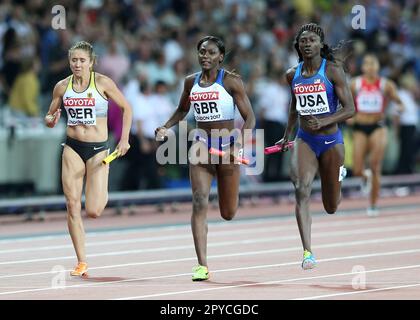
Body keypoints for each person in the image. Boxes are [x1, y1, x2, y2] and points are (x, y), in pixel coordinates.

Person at [155, 36, 255, 281]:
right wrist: (166, 126)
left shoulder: (231, 82)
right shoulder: (191, 82)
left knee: (228, 212)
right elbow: (182, 109)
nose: (205, 56)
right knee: (199, 201)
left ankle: (224, 214)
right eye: (202, 52)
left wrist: (239, 146)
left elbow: (250, 118)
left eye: (211, 53)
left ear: (221, 57)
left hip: (228, 148)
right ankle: (201, 265)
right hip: (201, 147)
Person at [44, 41, 132, 276]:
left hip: (98, 151)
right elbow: (50, 116)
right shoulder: (62, 87)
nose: (77, 64)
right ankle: (81, 261)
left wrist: (124, 140)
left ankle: (101, 185)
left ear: (91, 62)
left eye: (82, 60)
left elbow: (127, 108)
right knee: (72, 205)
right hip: (72, 147)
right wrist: (50, 120)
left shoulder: (103, 83)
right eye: (74, 60)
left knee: (93, 211)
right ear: (69, 61)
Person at [275, 23, 355, 270]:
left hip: (331, 141)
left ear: (321, 44)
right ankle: (307, 252)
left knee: (331, 206)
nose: (307, 44)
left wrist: (324, 120)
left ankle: (337, 176)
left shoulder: (332, 71)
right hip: (304, 140)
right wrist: (286, 135)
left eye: (311, 40)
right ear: (298, 46)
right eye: (303, 41)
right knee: (301, 187)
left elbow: (350, 109)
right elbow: (293, 107)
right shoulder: (292, 74)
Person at [349, 54, 404, 216]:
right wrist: (350, 116)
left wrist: (399, 109)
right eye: (367, 64)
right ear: (363, 67)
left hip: (378, 126)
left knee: (375, 165)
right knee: (357, 168)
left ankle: (373, 205)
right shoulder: (355, 84)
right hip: (360, 127)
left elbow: (399, 102)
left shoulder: (386, 85)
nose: (371, 67)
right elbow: (346, 103)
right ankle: (364, 176)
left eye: (374, 64)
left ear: (378, 67)